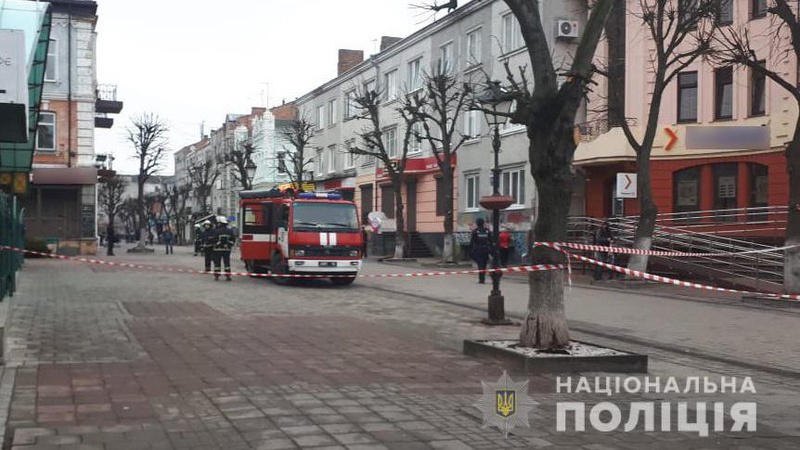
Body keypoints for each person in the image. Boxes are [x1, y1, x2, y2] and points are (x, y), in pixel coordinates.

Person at [212, 216, 236, 281]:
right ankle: (228, 276)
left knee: (217, 263)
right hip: (227, 249)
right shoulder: (230, 231)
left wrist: (217, 244)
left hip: (218, 249)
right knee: (227, 263)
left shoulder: (216, 231)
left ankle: (217, 276)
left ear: (220, 223)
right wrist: (228, 244)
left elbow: (213, 240)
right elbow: (233, 240)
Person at [470, 218, 492, 284]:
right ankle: (482, 278)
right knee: (484, 264)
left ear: (477, 223)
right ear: (483, 223)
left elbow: (472, 242)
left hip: (478, 249)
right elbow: (491, 241)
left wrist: (470, 251)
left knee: (480, 264)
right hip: (486, 249)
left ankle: (481, 279)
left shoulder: (475, 231)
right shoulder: (487, 231)